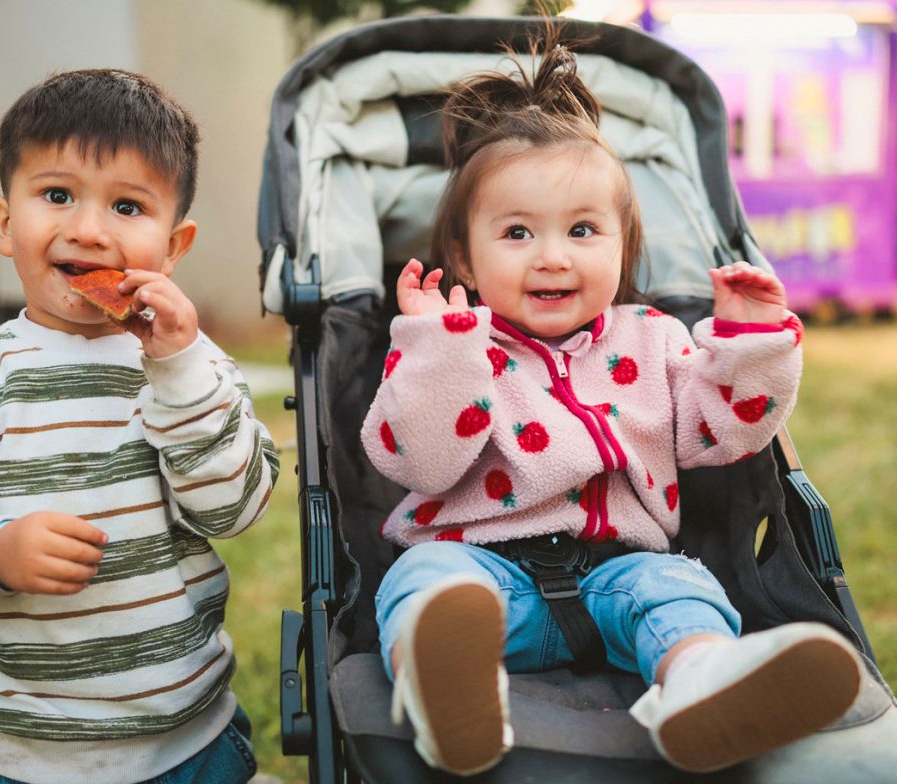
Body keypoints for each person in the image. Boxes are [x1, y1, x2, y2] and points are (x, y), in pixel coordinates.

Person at [360, 36, 864, 777]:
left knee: (683, 588)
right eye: (517, 233)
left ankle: (700, 681)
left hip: (620, 576)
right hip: (479, 572)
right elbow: (420, 463)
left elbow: (723, 432)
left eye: (583, 231)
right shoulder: (452, 346)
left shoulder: (653, 339)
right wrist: (439, 349)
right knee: (425, 584)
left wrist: (750, 343)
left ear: (623, 246)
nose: (553, 255)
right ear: (464, 257)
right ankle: (447, 694)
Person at [0, 69, 279, 784]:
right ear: (4, 222)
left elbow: (234, 509)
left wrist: (181, 370)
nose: (89, 230)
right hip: (15, 753)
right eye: (57, 195)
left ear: (173, 246)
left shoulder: (193, 366)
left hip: (187, 741)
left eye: (127, 206)